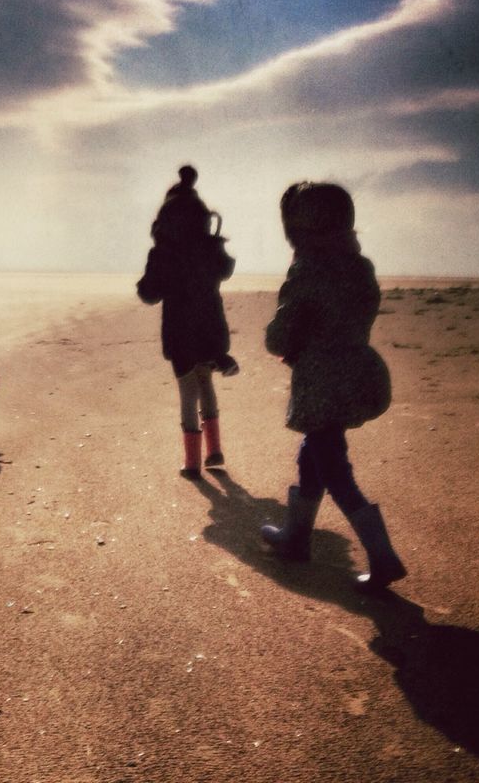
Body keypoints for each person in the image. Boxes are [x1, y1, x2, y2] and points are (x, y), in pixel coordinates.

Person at [260, 181, 406, 590]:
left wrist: (282, 339)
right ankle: (296, 536)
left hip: (321, 380)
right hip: (357, 371)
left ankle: (382, 556)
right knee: (317, 452)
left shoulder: (307, 270)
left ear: (299, 228)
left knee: (334, 468)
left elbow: (280, 336)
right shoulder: (360, 267)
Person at [137, 166, 237, 478]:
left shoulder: (164, 253)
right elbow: (224, 270)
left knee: (187, 389)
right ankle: (215, 450)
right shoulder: (209, 247)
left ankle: (192, 462)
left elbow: (149, 293)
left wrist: (149, 283)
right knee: (206, 382)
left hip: (180, 331)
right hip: (210, 329)